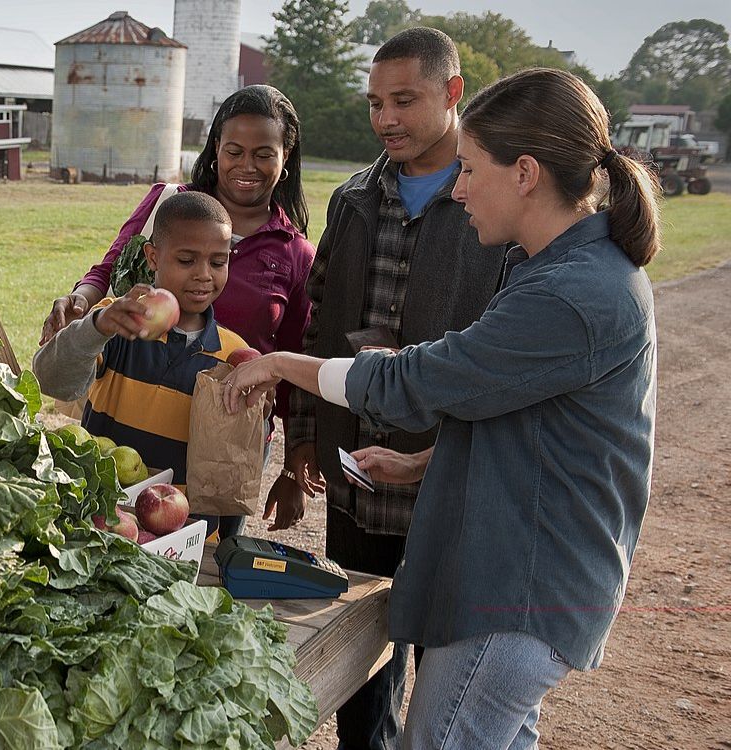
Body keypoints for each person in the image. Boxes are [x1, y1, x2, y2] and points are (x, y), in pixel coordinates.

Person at [225, 66, 660, 749]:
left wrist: (280, 365)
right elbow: (525, 414)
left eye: (468, 169)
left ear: (524, 173)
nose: (458, 188)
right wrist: (427, 459)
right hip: (525, 582)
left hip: (516, 592)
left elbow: (416, 382)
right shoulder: (559, 268)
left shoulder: (571, 293)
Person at [279, 27, 508, 750]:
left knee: (444, 662)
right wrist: (309, 435)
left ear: (453, 93)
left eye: (404, 100)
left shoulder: (493, 208)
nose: (386, 119)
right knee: (361, 658)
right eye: (376, 102)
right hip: (355, 470)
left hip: (451, 472)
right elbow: (317, 324)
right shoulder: (351, 199)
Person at [40, 84, 317, 537]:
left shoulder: (295, 253)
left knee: (203, 551)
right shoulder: (169, 204)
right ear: (215, 150)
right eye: (234, 150)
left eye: (264, 153)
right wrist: (85, 309)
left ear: (285, 158)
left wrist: (293, 465)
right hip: (132, 390)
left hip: (222, 436)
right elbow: (106, 268)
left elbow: (292, 366)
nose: (247, 165)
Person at [32, 192, 249, 501]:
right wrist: (97, 327)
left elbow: (233, 456)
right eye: (186, 260)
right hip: (101, 509)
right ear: (152, 257)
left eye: (218, 262)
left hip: (183, 526)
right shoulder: (115, 321)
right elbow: (52, 381)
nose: (204, 274)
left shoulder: (232, 354)